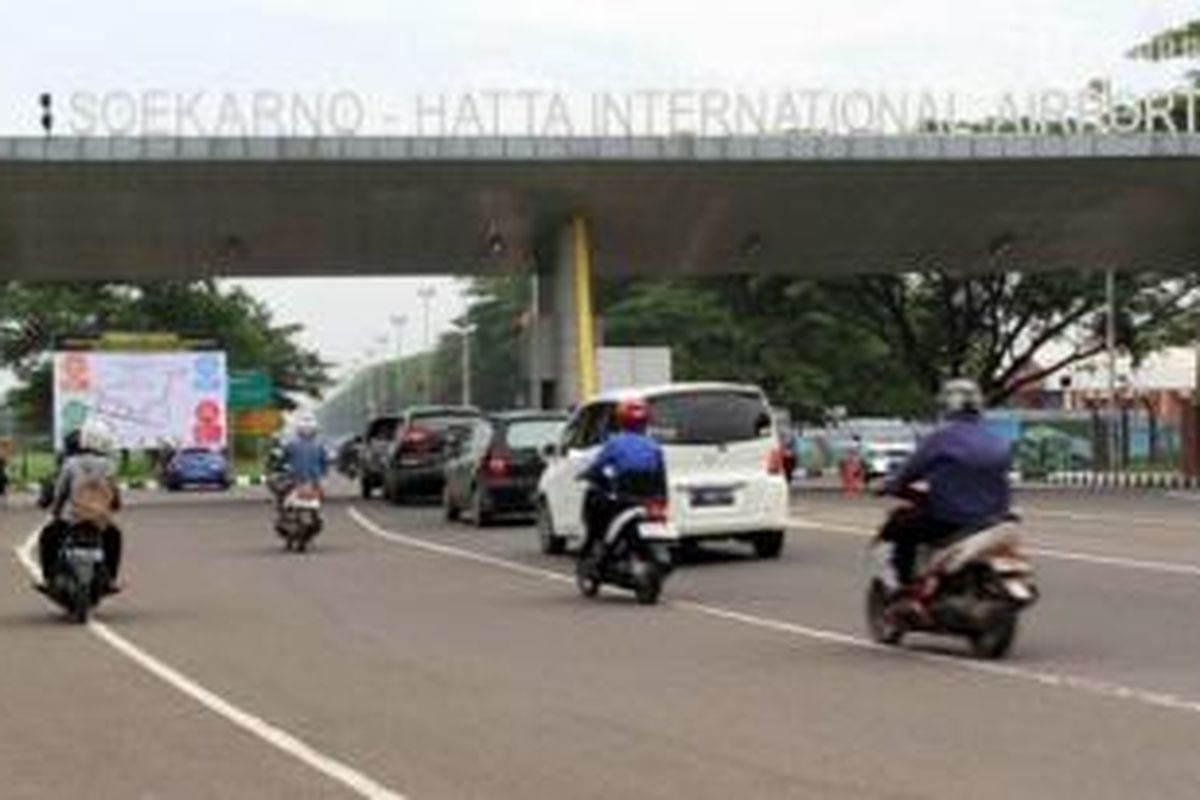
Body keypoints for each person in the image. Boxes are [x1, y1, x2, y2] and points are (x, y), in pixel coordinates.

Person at [876, 378, 1012, 598]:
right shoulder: (997, 439)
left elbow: (911, 469)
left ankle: (905, 585)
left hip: (950, 519)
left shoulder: (942, 438)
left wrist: (890, 485)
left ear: (948, 405)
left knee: (901, 525)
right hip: (994, 519)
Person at [578, 397, 668, 563]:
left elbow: (598, 466)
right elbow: (661, 473)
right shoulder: (653, 445)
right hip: (651, 496)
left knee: (600, 514)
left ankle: (602, 546)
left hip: (625, 495)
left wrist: (585, 474)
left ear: (621, 421)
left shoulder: (615, 443)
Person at [38, 419, 123, 592]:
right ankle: (111, 580)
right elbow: (114, 493)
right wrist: (114, 506)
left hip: (71, 518)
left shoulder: (70, 463)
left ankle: (48, 579)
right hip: (99, 520)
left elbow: (60, 492)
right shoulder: (109, 465)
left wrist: (55, 512)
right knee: (115, 537)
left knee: (47, 537)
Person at [274, 413, 328, 507]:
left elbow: (283, 458)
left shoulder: (292, 443)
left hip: (296, 477)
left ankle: (282, 510)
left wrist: (280, 466)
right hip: (313, 478)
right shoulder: (320, 444)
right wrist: (323, 473)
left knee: (281, 492)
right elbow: (324, 462)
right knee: (321, 493)